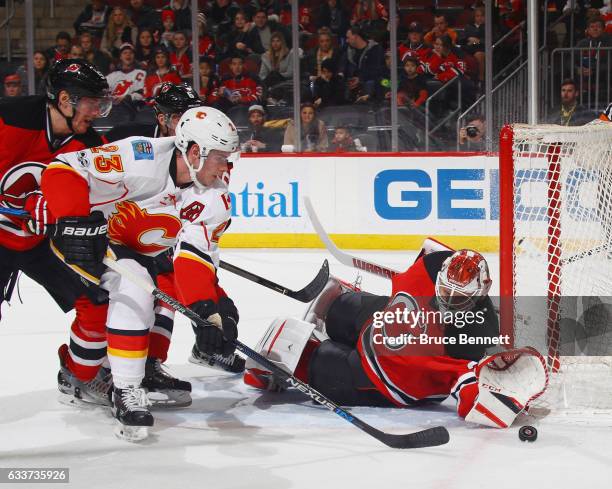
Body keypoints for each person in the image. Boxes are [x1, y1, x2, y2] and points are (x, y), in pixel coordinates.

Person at [39, 107, 241, 441]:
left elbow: (195, 258)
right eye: (221, 157)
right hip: (82, 240)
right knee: (133, 294)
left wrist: (210, 311)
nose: (227, 167)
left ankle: (132, 381)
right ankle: (115, 384)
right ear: (194, 152)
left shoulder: (215, 196)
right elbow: (61, 170)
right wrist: (72, 220)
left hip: (132, 248)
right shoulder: (140, 156)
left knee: (160, 291)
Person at [244, 245, 548, 429]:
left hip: (382, 377)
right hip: (379, 319)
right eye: (445, 292)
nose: (449, 301)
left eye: (460, 298)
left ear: (483, 289)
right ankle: (335, 319)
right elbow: (430, 250)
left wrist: (499, 401)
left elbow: (465, 388)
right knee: (334, 299)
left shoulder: (474, 334)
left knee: (284, 350)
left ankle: (301, 359)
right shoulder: (435, 263)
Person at [0, 59, 110, 363]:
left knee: (99, 301)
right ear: (64, 100)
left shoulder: (90, 144)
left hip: (43, 243)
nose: (97, 111)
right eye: (91, 102)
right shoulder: (10, 118)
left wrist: (56, 205)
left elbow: (104, 195)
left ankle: (80, 375)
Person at [344, 26, 385, 104]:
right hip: (355, 86)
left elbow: (377, 70)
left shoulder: (375, 49)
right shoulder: (349, 52)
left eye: (348, 37)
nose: (346, 41)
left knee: (374, 83)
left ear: (355, 36)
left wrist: (360, 79)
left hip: (372, 84)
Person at [106, 43, 146, 108]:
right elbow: (102, 90)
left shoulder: (142, 73)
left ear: (134, 56)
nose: (128, 55)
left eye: (131, 53)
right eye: (125, 53)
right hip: (113, 109)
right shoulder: (112, 75)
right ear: (120, 57)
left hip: (133, 109)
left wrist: (127, 98)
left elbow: (142, 94)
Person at [259, 31, 294, 102]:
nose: (275, 44)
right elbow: (262, 75)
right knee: (271, 75)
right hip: (270, 81)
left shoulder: (290, 55)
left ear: (282, 43)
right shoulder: (266, 56)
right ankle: (266, 99)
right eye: (273, 41)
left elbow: (290, 73)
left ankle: (268, 98)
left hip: (285, 81)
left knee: (274, 74)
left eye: (278, 41)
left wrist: (277, 75)